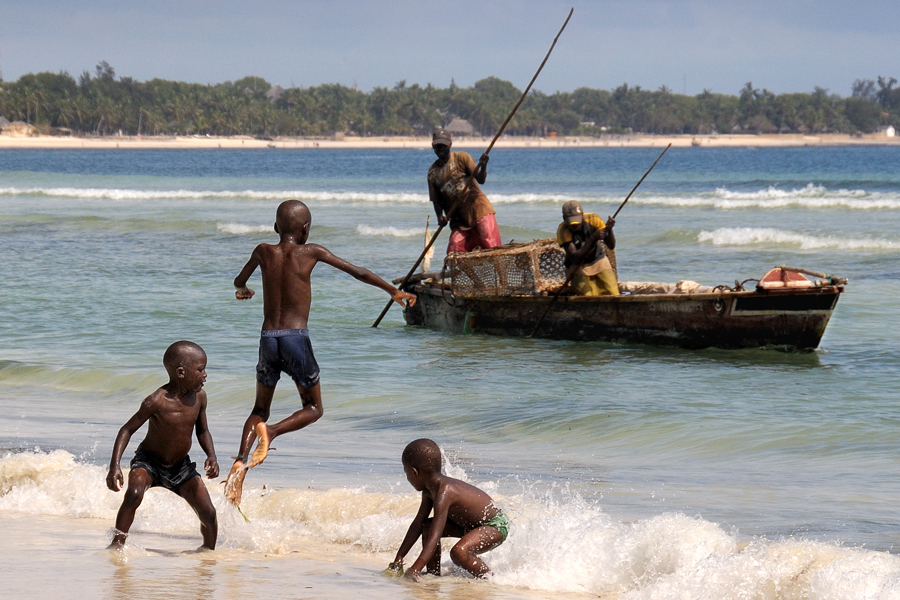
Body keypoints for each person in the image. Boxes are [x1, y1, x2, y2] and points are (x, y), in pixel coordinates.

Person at [224, 199, 416, 505]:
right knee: (314, 408)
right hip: (295, 339)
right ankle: (270, 433)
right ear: (305, 229)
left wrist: (243, 290)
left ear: (275, 228)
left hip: (268, 338)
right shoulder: (311, 251)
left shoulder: (263, 251)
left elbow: (238, 280)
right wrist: (392, 291)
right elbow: (358, 272)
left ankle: (239, 461)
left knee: (259, 408)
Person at [106, 341, 219, 551]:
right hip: (149, 462)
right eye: (200, 369)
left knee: (209, 513)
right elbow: (126, 430)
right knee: (134, 493)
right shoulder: (157, 401)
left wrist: (211, 455)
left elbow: (202, 431)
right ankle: (117, 544)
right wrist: (115, 467)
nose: (205, 375)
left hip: (180, 467)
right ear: (181, 373)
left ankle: (207, 553)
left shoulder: (200, 398)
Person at [387, 438, 509, 581]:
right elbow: (417, 524)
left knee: (459, 552)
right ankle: (433, 575)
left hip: (495, 526)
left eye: (406, 473)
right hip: (471, 526)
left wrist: (415, 568)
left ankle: (491, 579)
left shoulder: (444, 493)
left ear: (414, 473)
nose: (407, 477)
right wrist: (399, 558)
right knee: (426, 526)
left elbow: (435, 535)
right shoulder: (428, 492)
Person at [428, 128, 502, 254]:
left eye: (443, 146)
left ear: (450, 145)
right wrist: (440, 217)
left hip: (478, 209)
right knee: (454, 251)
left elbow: (480, 179)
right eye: (438, 147)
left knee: (491, 246)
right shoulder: (432, 173)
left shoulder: (461, 158)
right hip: (459, 219)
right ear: (433, 147)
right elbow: (436, 201)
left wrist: (483, 166)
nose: (441, 150)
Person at [556, 200, 620, 296]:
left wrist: (609, 230)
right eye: (572, 222)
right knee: (588, 295)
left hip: (598, 260)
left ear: (582, 215)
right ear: (564, 218)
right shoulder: (563, 231)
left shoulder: (594, 219)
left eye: (577, 220)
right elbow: (575, 258)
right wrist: (593, 238)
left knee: (612, 292)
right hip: (577, 266)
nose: (575, 225)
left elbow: (611, 245)